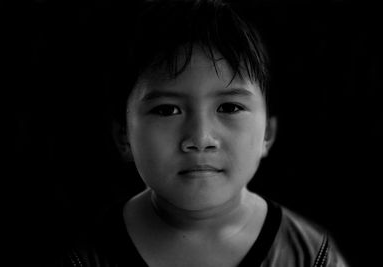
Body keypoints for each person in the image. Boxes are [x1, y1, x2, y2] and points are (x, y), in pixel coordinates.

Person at [63, 0, 348, 266]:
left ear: (267, 134)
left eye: (229, 107)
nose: (200, 139)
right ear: (123, 135)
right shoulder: (86, 253)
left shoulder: (310, 254)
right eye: (167, 110)